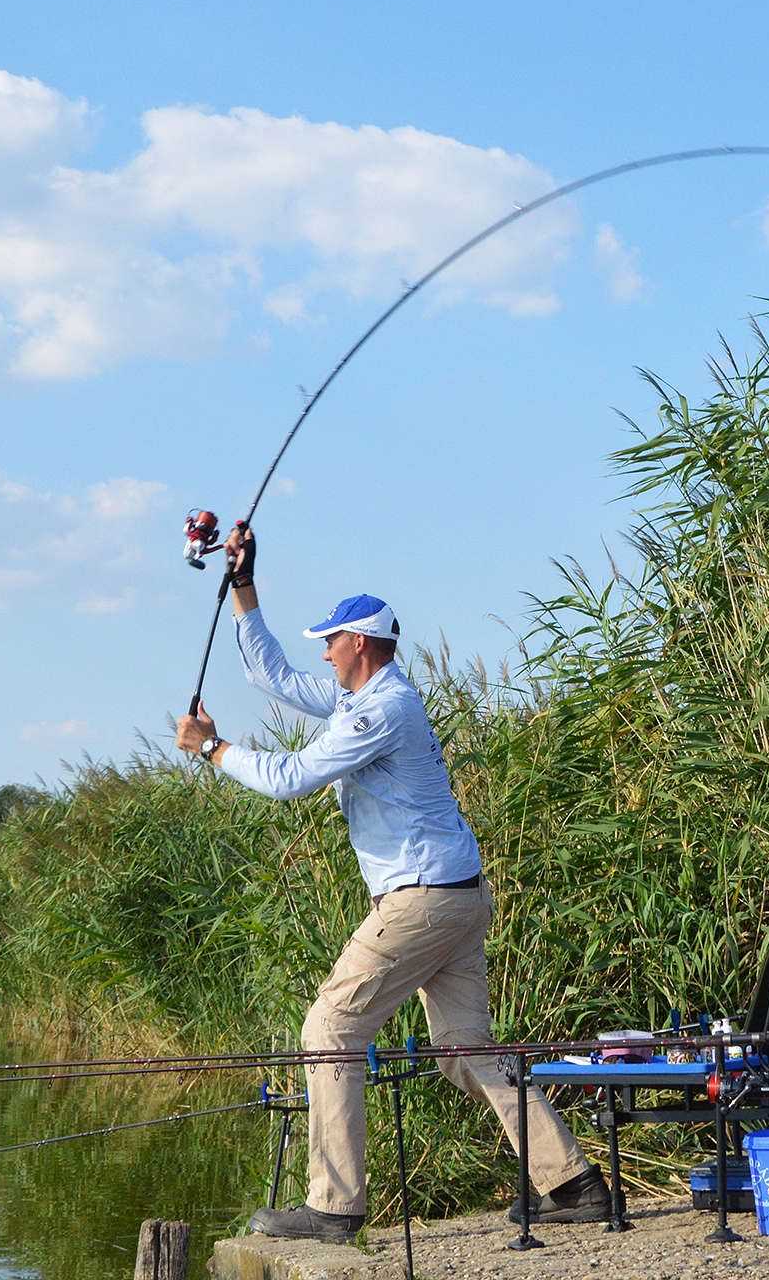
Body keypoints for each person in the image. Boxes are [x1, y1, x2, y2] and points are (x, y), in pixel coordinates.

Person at [175, 526, 608, 1242]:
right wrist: (244, 586)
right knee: (466, 1049)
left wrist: (212, 748)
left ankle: (333, 1208)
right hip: (456, 898)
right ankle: (573, 1183)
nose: (323, 650)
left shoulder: (382, 709)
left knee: (331, 1029)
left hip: (423, 900)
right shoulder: (361, 700)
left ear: (361, 646)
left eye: (331, 640)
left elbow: (290, 780)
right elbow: (274, 679)